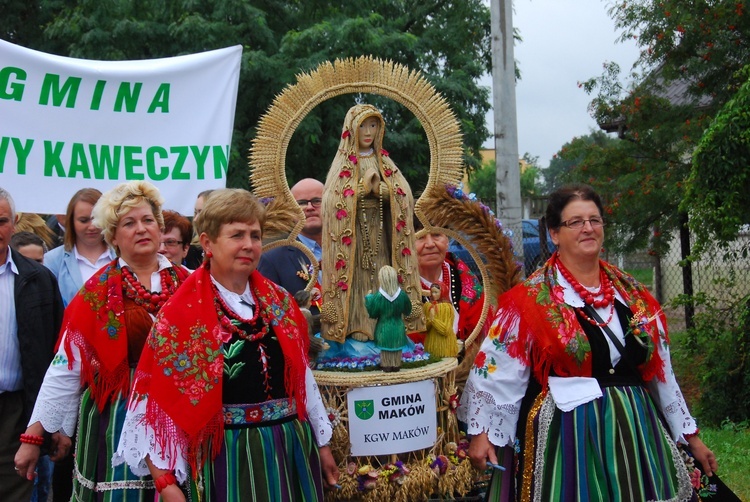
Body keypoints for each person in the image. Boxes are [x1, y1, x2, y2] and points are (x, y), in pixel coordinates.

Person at [459, 184, 717, 501]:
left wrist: (691, 436)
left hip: (635, 432)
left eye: (595, 220)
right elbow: (499, 372)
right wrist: (482, 434)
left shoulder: (631, 297)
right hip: (570, 435)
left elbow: (658, 367)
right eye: (576, 221)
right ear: (554, 233)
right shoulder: (532, 302)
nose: (588, 228)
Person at [114, 188, 339, 501]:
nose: (248, 245)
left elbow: (302, 378)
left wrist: (322, 444)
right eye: (236, 235)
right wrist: (165, 482)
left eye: (255, 235)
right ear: (207, 243)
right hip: (228, 455)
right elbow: (154, 403)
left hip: (290, 447)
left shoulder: (280, 302)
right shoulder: (182, 314)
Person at [14, 181, 189, 501]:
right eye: (129, 223)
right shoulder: (97, 294)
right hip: (116, 419)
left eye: (148, 220)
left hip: (177, 415)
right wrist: (33, 437)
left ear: (160, 227)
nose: (141, 229)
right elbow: (66, 367)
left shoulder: (190, 285)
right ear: (113, 236)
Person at [321, 104, 423, 343]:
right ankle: (357, 324)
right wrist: (354, 193)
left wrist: (385, 193)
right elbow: (330, 198)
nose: (368, 132)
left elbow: (404, 195)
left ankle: (386, 322)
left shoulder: (384, 162)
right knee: (356, 277)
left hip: (380, 231)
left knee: (382, 272)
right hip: (353, 234)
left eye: (373, 125)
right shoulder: (343, 163)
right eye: (363, 126)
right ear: (351, 129)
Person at [0, 187, 64, 502]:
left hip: (16, 411)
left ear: (14, 225)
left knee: (15, 492)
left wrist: (56, 422)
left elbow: (56, 355)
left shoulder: (38, 279)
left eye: (1, 221)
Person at [258, 178, 324, 313]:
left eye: (317, 201)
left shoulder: (353, 249)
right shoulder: (273, 260)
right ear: (291, 211)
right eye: (301, 203)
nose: (310, 207)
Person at [43, 188, 116, 306]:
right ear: (71, 222)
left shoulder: (124, 256)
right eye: (83, 220)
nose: (91, 227)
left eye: (96, 219)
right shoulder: (52, 261)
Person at [414, 226, 484, 348]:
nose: (430, 244)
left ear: (447, 241)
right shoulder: (398, 288)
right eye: (420, 237)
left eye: (436, 235)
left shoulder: (467, 281)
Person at [365, 265, 412, 372]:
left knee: (385, 351)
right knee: (397, 348)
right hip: (398, 327)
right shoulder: (402, 295)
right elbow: (408, 310)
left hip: (383, 328)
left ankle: (386, 365)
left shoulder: (378, 297)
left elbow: (373, 313)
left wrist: (368, 299)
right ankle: (396, 364)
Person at [422, 283, 458, 358]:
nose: (433, 295)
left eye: (436, 292)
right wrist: (429, 320)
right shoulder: (427, 306)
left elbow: (446, 330)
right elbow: (424, 329)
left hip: (445, 348)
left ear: (442, 292)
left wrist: (433, 320)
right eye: (432, 292)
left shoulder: (447, 308)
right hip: (431, 346)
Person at [184, 189, 214, 269]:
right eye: (195, 213)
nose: (195, 219)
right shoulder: (190, 251)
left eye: (201, 212)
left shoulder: (230, 247)